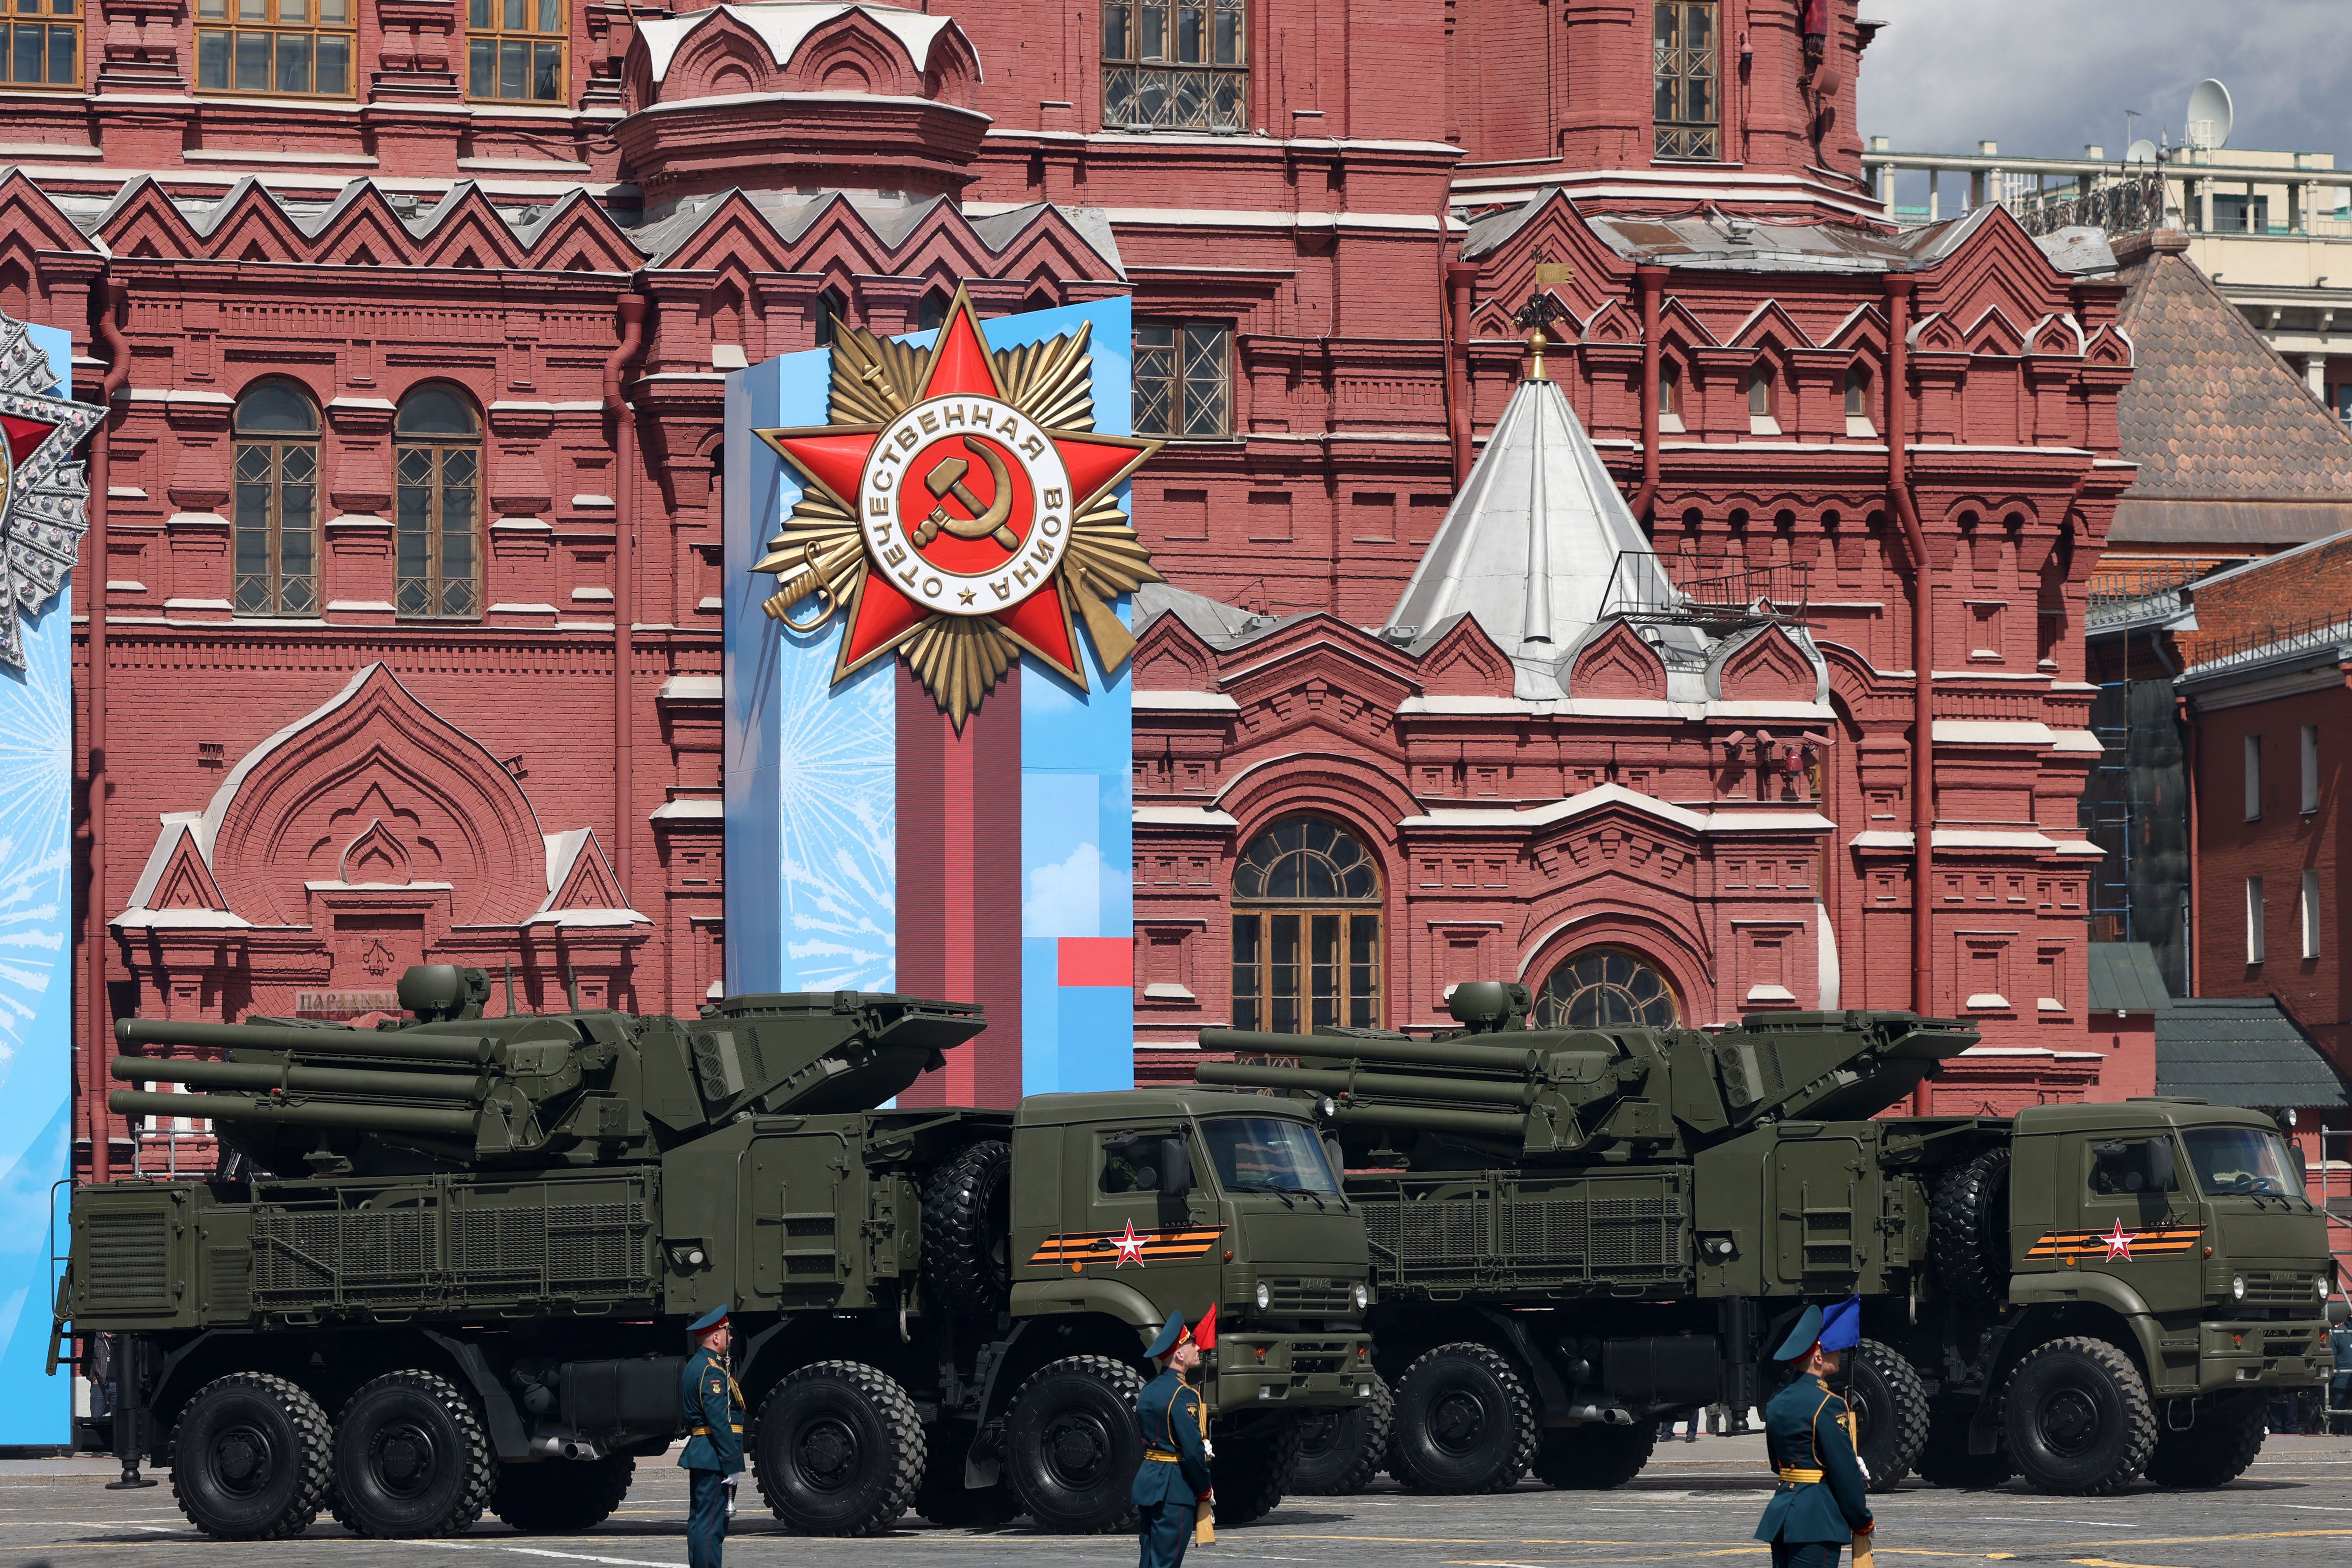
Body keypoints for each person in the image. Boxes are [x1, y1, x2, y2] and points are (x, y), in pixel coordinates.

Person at [1754, 1298, 1874, 1568]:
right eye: (1833, 1350)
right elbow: (1843, 1473)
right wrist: (1863, 1521)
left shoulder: (1777, 1402)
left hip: (1783, 1515)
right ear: (1818, 1357)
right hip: (1816, 1520)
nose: (1838, 1355)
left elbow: (1778, 1464)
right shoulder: (1829, 1403)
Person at [1135, 1307, 1216, 1568]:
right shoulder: (1184, 1395)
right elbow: (1192, 1452)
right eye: (1191, 1343)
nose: (1197, 1346)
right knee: (1166, 1563)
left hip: (1149, 1484)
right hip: (1174, 1489)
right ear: (1179, 1354)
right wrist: (1205, 1490)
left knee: (1149, 1560)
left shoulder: (1149, 1391)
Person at [678, 1305, 744, 1568]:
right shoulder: (712, 1371)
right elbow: (719, 1421)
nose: (731, 1338)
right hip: (715, 1457)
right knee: (712, 1527)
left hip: (705, 1453)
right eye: (728, 1333)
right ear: (716, 1337)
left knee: (700, 1520)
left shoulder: (697, 1366)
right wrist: (732, 1461)